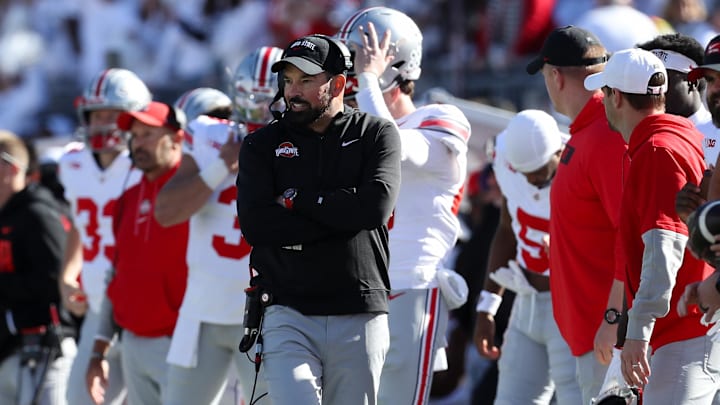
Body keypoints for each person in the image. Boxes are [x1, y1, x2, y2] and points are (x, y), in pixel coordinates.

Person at [235, 34, 402, 405]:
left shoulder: (377, 134)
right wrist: (343, 215)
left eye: (306, 80)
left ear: (338, 83)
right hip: (286, 309)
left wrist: (296, 200)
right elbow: (258, 225)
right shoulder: (261, 145)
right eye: (288, 80)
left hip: (358, 308)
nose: (293, 91)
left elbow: (375, 209)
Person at [336, 7, 472, 404]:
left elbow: (392, 148)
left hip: (410, 287)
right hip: (350, 288)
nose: (346, 78)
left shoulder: (439, 118)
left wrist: (366, 81)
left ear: (392, 66)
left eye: (358, 63)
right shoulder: (351, 128)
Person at [584, 47, 720, 403]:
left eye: (604, 94)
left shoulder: (657, 149)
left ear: (615, 97)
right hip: (689, 328)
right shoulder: (676, 135)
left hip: (683, 333)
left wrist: (638, 333)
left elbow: (664, 250)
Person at [154, 46, 282, 405]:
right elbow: (166, 212)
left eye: (267, 102)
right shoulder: (210, 134)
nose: (258, 112)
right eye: (251, 101)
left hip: (269, 311)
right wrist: (222, 164)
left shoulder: (302, 144)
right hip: (202, 310)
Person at [526, 25, 628, 404]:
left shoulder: (603, 135)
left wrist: (613, 319)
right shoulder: (592, 130)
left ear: (554, 76)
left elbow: (630, 234)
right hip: (590, 332)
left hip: (604, 336)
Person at [470, 110, 582, 404]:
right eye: (525, 173)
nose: (532, 181)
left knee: (578, 398)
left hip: (573, 306)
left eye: (540, 175)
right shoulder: (505, 156)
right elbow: (507, 230)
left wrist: (568, 248)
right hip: (526, 300)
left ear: (560, 151)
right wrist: (488, 306)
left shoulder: (583, 164)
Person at [85, 101, 189, 405]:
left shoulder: (193, 195)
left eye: (148, 134)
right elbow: (115, 276)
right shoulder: (127, 198)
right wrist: (98, 349)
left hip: (180, 344)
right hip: (132, 342)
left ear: (176, 138)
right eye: (135, 135)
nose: (137, 143)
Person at [58, 67, 150, 405]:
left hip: (145, 307)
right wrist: (67, 278)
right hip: (99, 306)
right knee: (79, 399)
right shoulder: (73, 163)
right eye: (97, 114)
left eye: (113, 113)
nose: (103, 123)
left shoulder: (146, 164)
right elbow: (79, 226)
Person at [0, 130, 76, 405]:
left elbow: (56, 279)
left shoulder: (37, 212)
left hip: (43, 347)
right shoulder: (5, 215)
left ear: (9, 168)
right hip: (10, 349)